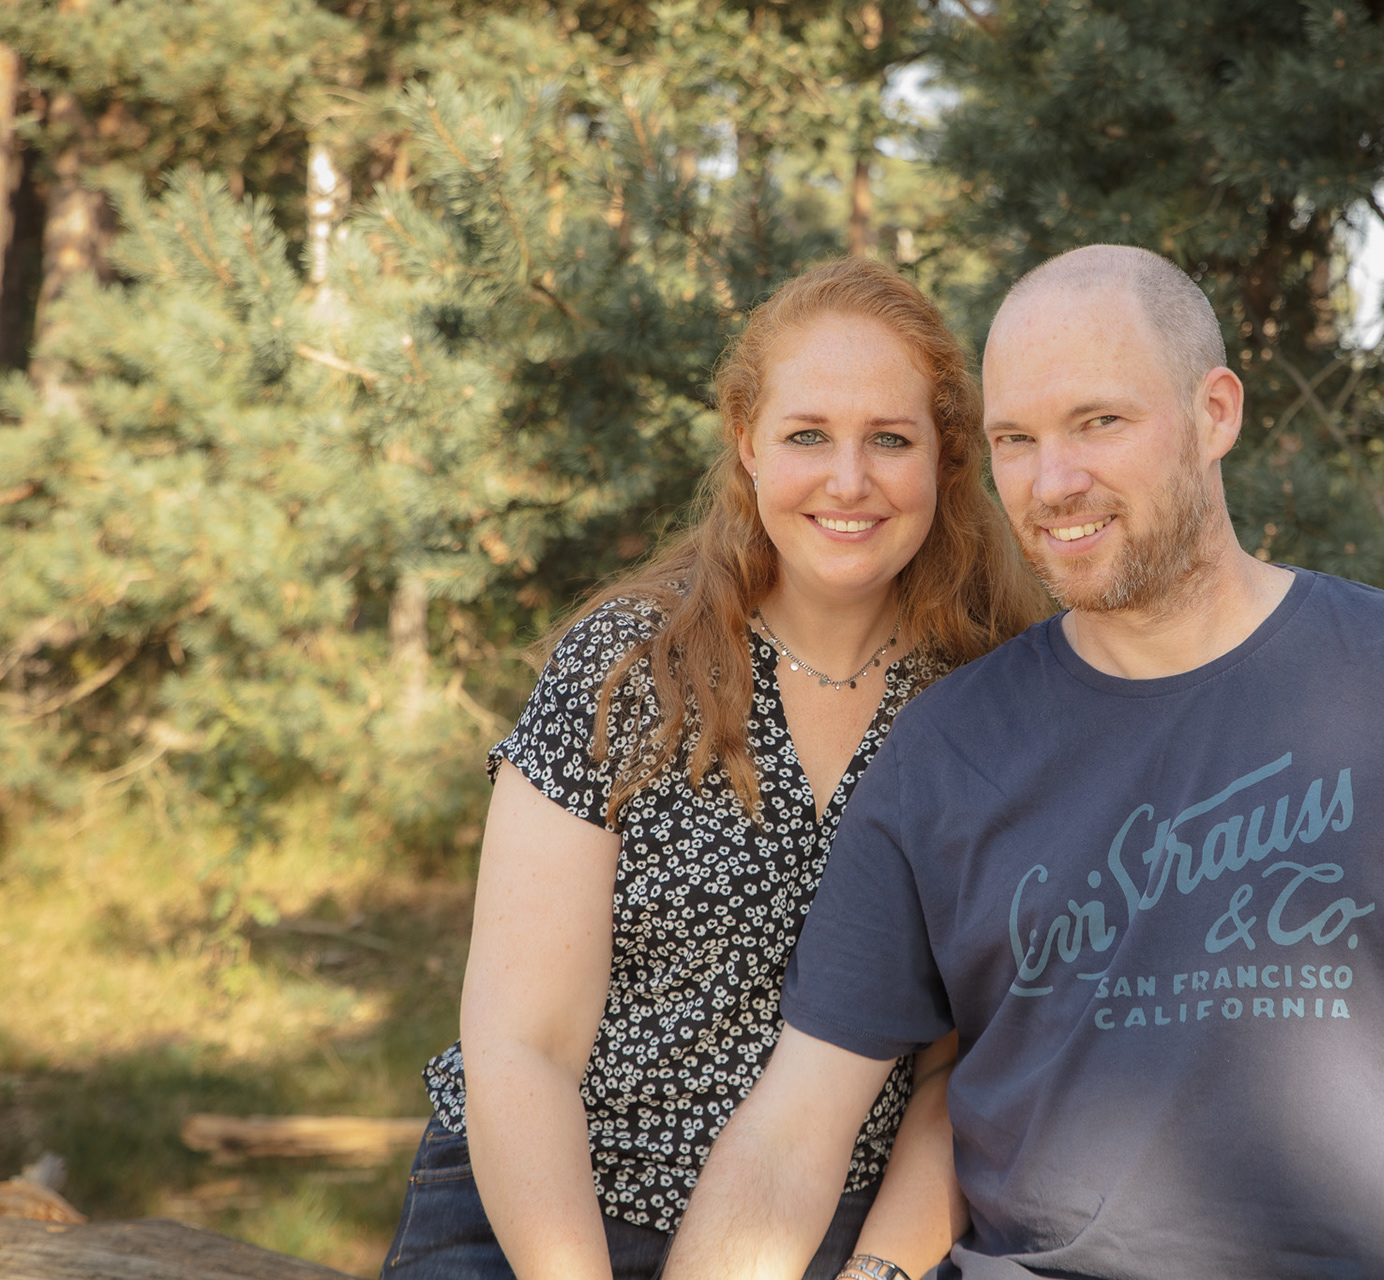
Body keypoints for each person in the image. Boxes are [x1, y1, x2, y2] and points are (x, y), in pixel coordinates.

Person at [662, 245, 1384, 1280]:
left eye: (1099, 421)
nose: (1054, 483)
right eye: (1015, 439)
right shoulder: (945, 748)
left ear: (1215, 413)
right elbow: (792, 1134)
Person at [380, 257, 1050, 1280]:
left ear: (945, 457)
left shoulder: (986, 704)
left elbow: (958, 1077)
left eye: (890, 439)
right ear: (746, 443)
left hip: (825, 1238)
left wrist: (876, 1273)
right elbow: (522, 1047)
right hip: (541, 1215)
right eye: (807, 435)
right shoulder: (630, 666)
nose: (849, 479)